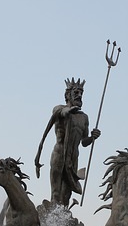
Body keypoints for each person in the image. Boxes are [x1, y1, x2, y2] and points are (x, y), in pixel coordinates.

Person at [35, 78, 101, 206]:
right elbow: (62, 112)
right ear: (68, 95)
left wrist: (92, 137)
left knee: (66, 195)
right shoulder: (59, 109)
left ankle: (64, 220)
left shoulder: (83, 117)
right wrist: (69, 110)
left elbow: (84, 142)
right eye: (76, 93)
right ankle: (52, 219)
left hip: (73, 157)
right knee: (56, 193)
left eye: (81, 93)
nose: (80, 96)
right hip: (59, 154)